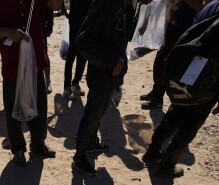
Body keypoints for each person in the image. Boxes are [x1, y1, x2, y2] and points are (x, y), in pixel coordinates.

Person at [141, 0, 219, 177]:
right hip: (209, 74)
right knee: (191, 123)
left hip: (190, 66)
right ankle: (166, 166)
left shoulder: (216, 3)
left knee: (177, 109)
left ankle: (152, 152)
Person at [0, 0, 61, 166]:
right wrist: (8, 32)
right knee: (13, 109)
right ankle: (18, 148)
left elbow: (56, 6)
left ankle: (38, 144)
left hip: (35, 57)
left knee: (39, 104)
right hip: (12, 60)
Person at [70, 0, 133, 175]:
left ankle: (90, 142)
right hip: (101, 73)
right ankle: (79, 156)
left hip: (111, 75)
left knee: (101, 110)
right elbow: (82, 41)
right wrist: (112, 60)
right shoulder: (105, 3)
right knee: (93, 113)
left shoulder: (123, 5)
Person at [140, 0, 200, 109]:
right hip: (169, 29)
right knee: (159, 61)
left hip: (183, 32)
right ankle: (155, 90)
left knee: (167, 65)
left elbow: (200, 6)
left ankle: (158, 97)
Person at [62, 0, 91, 100]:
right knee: (72, 55)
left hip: (86, 23)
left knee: (82, 56)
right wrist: (66, 12)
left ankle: (75, 84)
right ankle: (67, 88)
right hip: (75, 22)